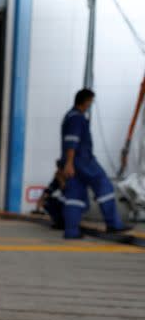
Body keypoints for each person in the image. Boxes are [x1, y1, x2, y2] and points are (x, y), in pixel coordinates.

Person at [61, 88, 131, 239]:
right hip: (83, 161)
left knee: (74, 196)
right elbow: (72, 141)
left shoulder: (69, 116)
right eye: (91, 101)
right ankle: (113, 224)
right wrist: (70, 163)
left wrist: (68, 163)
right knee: (104, 186)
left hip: (73, 163)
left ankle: (71, 232)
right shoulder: (77, 118)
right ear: (85, 101)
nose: (91, 104)